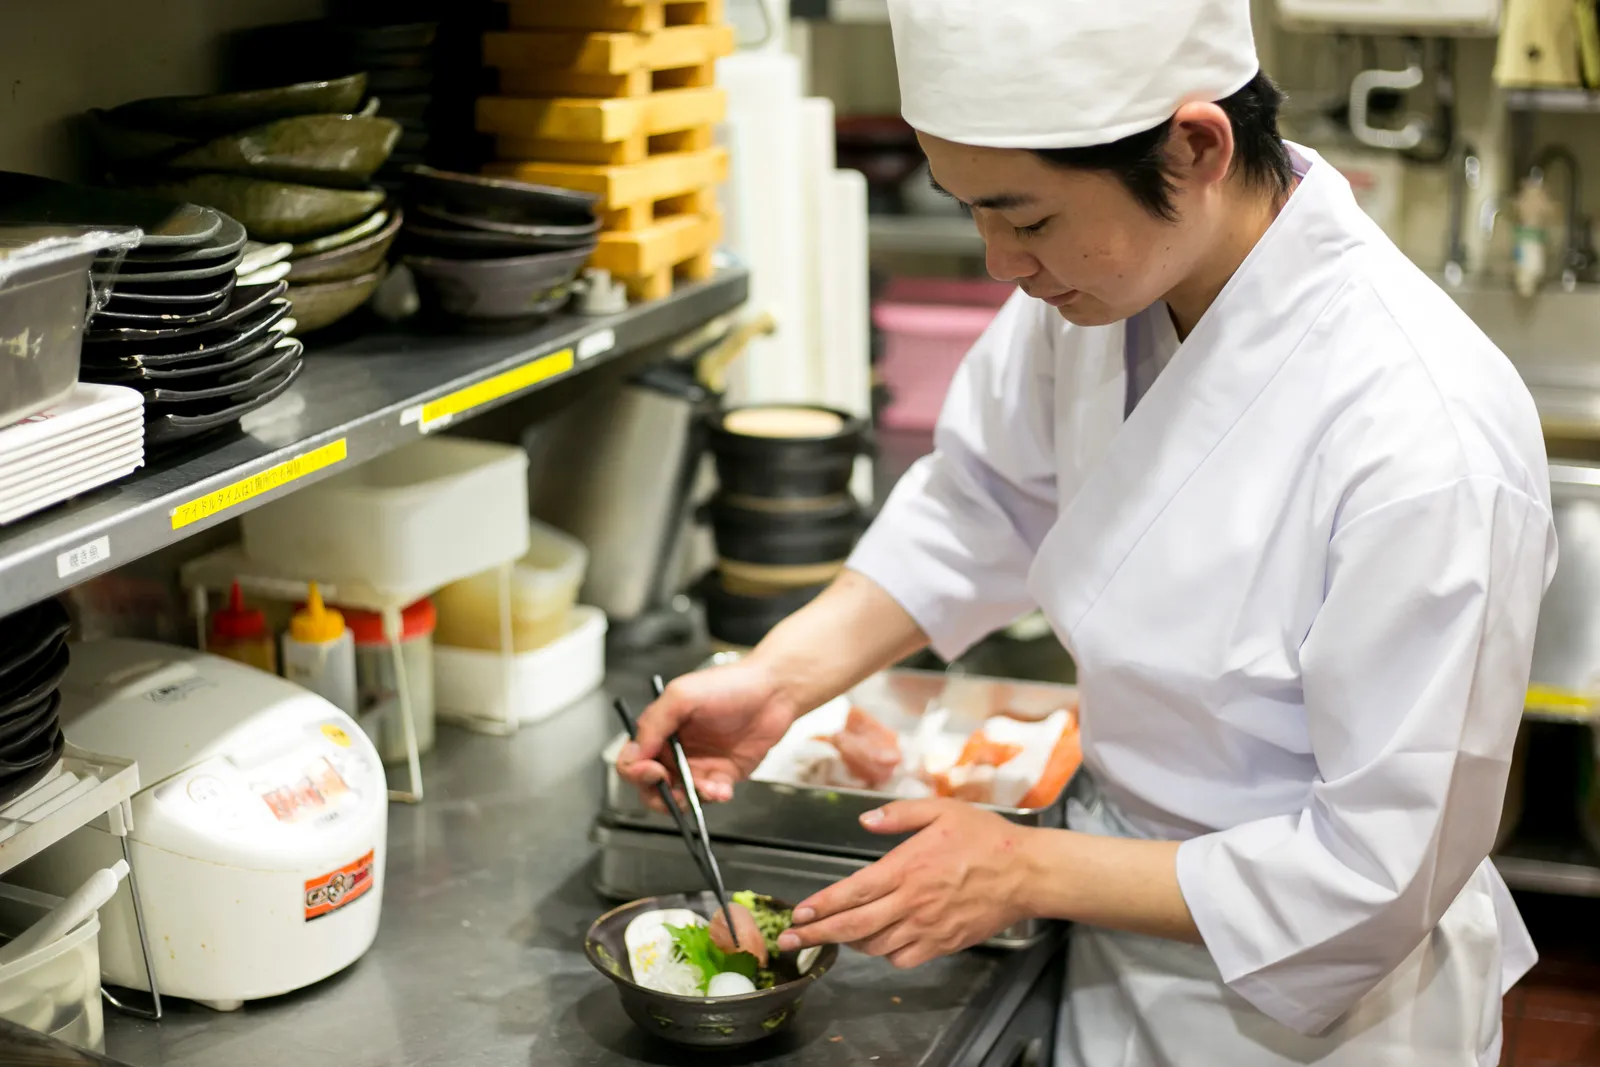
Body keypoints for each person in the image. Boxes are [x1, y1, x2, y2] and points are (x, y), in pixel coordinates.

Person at [617, 1, 1558, 1063]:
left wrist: (1025, 870)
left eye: (1025, 217)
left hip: (1329, 1019)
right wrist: (778, 681)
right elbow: (984, 502)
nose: (998, 262)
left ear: (1195, 145)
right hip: (1117, 948)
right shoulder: (1105, 290)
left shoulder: (1422, 435)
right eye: (969, 210)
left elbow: (1381, 869)